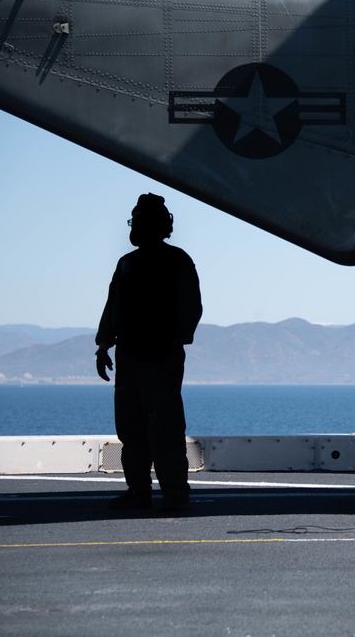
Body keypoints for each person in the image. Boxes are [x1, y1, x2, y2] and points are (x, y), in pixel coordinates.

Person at [95, 193, 203, 512]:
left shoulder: (176, 261)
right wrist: (104, 345)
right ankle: (139, 490)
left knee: (165, 424)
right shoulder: (127, 264)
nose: (136, 227)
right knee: (131, 425)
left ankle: (174, 493)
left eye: (139, 221)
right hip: (131, 354)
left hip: (161, 355)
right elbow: (112, 306)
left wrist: (174, 341)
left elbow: (190, 306)